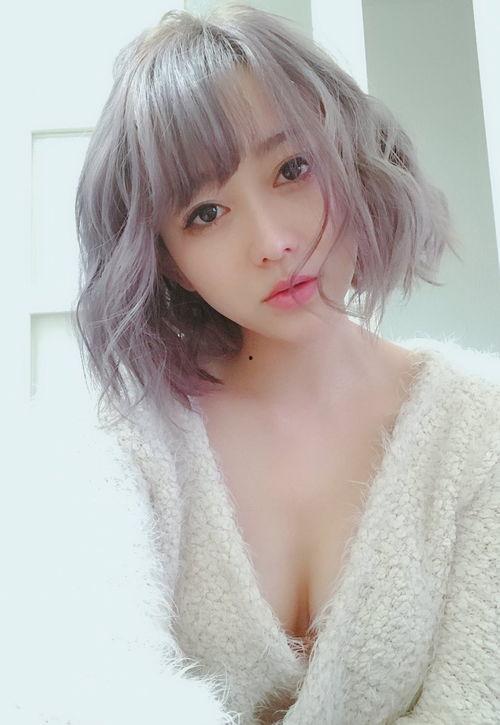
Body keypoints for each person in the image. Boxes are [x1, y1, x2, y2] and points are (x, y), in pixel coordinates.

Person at [67, 4, 499, 724]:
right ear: (168, 262)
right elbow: (95, 687)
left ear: (350, 158)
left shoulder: (482, 430)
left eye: (292, 169)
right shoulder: (128, 440)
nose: (272, 242)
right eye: (205, 213)